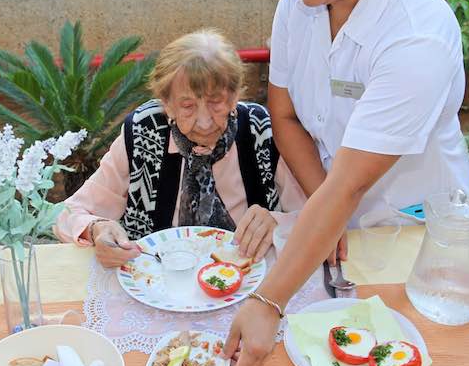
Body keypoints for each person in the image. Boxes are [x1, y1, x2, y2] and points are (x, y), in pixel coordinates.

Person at [223, 0, 469, 366]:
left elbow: (352, 185)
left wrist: (267, 302)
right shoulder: (300, 4)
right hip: (341, 216)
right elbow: (285, 114)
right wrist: (326, 209)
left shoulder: (415, 33)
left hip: (418, 239)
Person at [54, 30, 305, 267]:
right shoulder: (144, 133)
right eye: (188, 106)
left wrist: (277, 222)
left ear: (235, 97)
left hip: (246, 279)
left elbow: (313, 213)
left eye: (216, 101)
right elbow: (70, 213)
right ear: (167, 105)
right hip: (158, 281)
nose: (205, 122)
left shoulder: (260, 130)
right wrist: (96, 228)